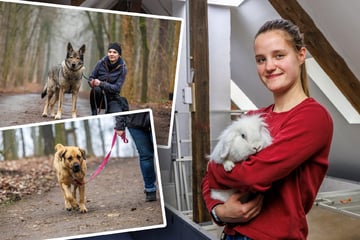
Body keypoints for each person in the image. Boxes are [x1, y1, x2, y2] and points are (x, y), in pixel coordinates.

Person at [202, 19, 333, 240]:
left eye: (279, 55)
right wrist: (220, 211)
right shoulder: (253, 118)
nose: (269, 66)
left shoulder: (312, 117)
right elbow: (208, 181)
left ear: (301, 55)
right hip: (230, 233)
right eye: (261, 60)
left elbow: (252, 177)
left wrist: (214, 167)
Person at [114, 112, 157, 202]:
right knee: (145, 155)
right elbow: (121, 106)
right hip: (134, 122)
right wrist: (119, 125)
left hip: (155, 118)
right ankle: (150, 190)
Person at [88, 42, 127, 115]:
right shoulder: (100, 63)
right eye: (110, 52)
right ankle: (94, 112)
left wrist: (101, 84)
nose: (111, 54)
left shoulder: (123, 69)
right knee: (96, 89)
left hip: (112, 98)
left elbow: (117, 88)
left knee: (116, 115)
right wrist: (92, 82)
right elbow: (91, 77)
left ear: (119, 55)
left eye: (114, 52)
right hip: (98, 95)